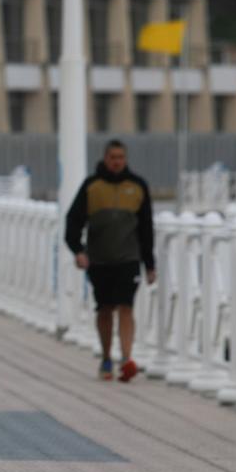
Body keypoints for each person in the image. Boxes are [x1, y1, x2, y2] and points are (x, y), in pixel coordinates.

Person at [65, 139, 156, 382]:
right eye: (113, 157)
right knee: (105, 308)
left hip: (128, 258)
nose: (117, 162)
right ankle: (106, 357)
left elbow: (146, 228)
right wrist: (78, 250)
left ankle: (126, 360)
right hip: (100, 259)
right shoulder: (92, 186)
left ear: (125, 159)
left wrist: (150, 264)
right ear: (105, 158)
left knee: (126, 307)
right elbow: (73, 221)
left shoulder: (138, 186)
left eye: (121, 157)